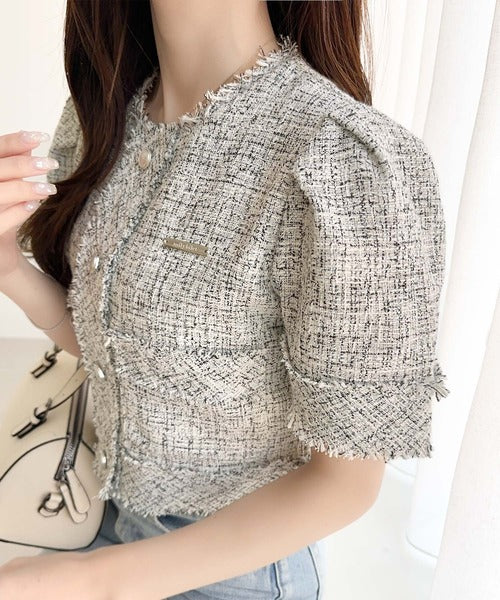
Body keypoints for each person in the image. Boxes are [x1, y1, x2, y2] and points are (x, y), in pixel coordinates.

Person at [0, 0, 450, 598]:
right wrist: (9, 266)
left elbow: (346, 482)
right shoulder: (103, 115)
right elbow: (127, 355)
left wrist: (92, 583)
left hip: (235, 571)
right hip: (97, 513)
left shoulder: (342, 161)